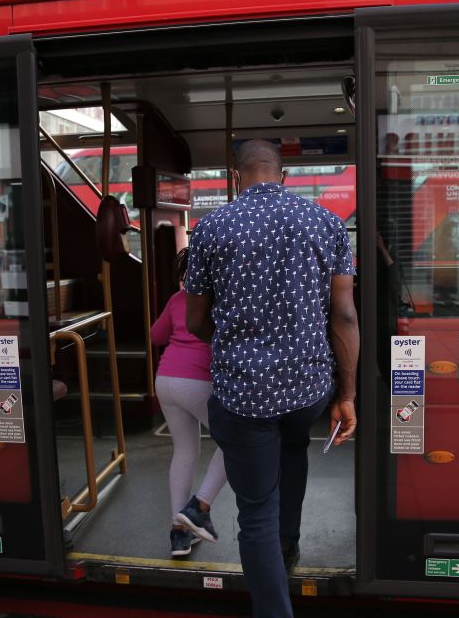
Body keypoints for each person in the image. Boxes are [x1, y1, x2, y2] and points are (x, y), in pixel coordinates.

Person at [184, 139, 359, 618]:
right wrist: (347, 395)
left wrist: (235, 340)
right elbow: (343, 316)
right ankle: (289, 547)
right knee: (293, 446)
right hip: (307, 388)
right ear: (283, 174)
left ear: (237, 173)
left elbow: (196, 320)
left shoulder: (211, 227)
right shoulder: (325, 222)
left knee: (255, 510)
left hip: (243, 394)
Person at [150, 247, 227, 557]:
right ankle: (198, 507)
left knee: (184, 450)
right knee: (237, 441)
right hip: (197, 382)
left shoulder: (176, 300)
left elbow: (156, 336)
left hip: (165, 380)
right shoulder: (222, 299)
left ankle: (179, 532)